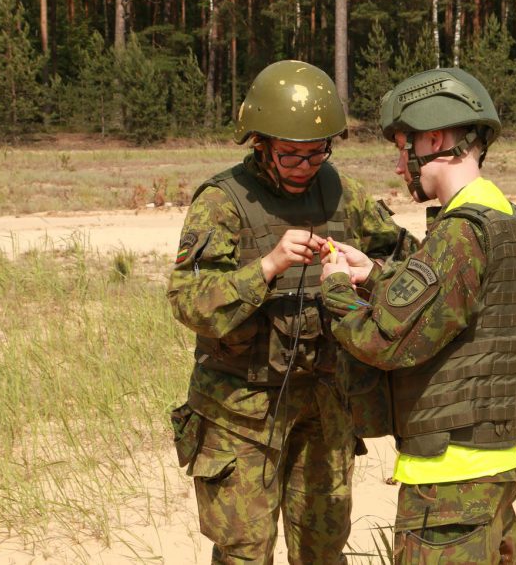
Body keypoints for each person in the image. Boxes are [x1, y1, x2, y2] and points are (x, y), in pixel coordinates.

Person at [167, 59, 414, 564]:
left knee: (323, 550)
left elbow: (408, 259)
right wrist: (268, 267)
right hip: (241, 410)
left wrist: (367, 268)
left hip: (325, 404)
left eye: (317, 153)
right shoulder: (222, 203)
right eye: (290, 156)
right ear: (259, 143)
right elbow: (189, 301)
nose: (306, 167)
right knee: (244, 553)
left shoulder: (343, 192)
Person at [319, 67, 516, 564]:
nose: (400, 166)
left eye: (403, 148)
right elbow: (452, 309)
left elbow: (386, 342)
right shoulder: (501, 214)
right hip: (491, 467)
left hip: (450, 480)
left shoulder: (460, 232)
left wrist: (336, 288)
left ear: (435, 139)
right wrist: (373, 275)